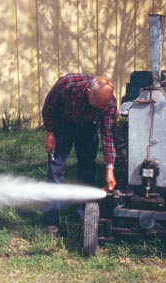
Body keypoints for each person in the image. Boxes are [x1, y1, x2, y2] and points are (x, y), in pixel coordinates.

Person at [42, 73, 117, 236]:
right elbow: (48, 108)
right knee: (56, 170)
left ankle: (85, 218)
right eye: (98, 105)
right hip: (62, 124)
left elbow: (108, 136)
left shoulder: (108, 103)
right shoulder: (67, 85)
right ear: (89, 90)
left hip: (88, 128)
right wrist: (50, 132)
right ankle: (51, 222)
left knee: (87, 169)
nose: (101, 108)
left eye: (104, 106)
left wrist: (109, 169)